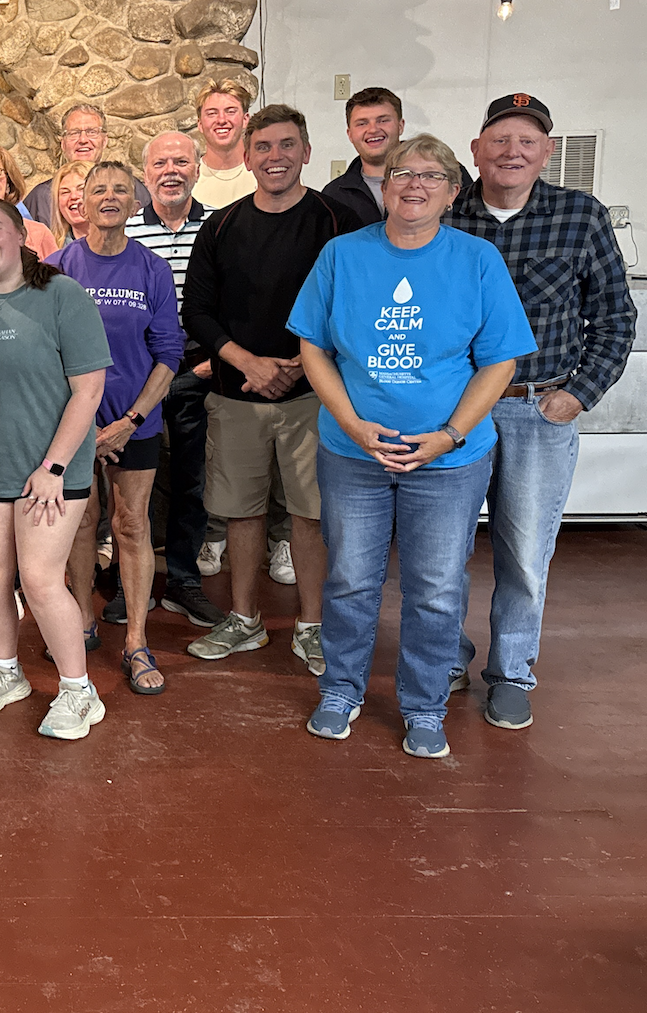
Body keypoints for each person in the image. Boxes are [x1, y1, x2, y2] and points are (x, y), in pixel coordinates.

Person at [290, 136, 536, 760]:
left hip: (448, 461)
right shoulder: (342, 255)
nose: (415, 185)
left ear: (453, 192)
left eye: (432, 176)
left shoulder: (477, 260)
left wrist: (449, 435)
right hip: (354, 454)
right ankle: (340, 690)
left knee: (435, 587)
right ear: (385, 185)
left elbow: (500, 361)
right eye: (402, 173)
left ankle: (424, 706)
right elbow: (313, 347)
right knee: (350, 580)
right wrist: (352, 424)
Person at [445, 93, 637, 729]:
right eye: (499, 139)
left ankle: (510, 673)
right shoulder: (446, 212)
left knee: (525, 553)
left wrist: (578, 395)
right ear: (476, 150)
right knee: (441, 548)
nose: (512, 152)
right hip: (456, 414)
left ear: (546, 152)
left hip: (537, 411)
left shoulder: (581, 216)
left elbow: (615, 317)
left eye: (527, 141)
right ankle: (445, 657)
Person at [0, 199, 112, 741]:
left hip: (52, 473)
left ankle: (79, 690)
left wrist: (53, 467)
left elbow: (89, 390)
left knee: (38, 579)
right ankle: (6, 672)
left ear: (20, 235)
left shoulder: (63, 295)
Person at [181, 104, 348, 676]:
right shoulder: (221, 226)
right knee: (241, 512)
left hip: (313, 396)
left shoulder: (337, 220)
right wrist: (247, 362)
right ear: (247, 158)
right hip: (236, 395)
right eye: (264, 147)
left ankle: (312, 625)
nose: (275, 157)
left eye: (287, 145)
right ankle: (244, 619)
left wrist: (301, 365)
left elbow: (351, 305)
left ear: (306, 151)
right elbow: (197, 311)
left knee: (310, 514)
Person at [47, 161, 184, 693]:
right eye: (98, 189)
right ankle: (82, 620)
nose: (109, 197)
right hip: (72, 424)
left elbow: (168, 353)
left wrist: (131, 420)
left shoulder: (152, 269)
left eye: (120, 190)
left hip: (134, 423)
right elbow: (43, 349)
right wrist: (80, 427)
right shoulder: (56, 267)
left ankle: (136, 640)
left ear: (134, 202)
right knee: (80, 522)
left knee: (131, 526)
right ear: (80, 202)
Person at [124, 135, 224, 629]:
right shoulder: (125, 231)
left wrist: (213, 365)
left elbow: (231, 302)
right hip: (138, 380)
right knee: (132, 487)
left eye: (181, 161)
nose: (171, 171)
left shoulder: (220, 226)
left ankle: (183, 580)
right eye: (160, 162)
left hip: (197, 373)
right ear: (145, 175)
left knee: (191, 483)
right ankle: (130, 584)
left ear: (198, 168)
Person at [322, 87, 478, 230]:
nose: (373, 129)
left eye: (383, 120)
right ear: (349, 134)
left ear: (401, 126)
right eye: (362, 123)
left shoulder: (447, 173)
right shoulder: (333, 194)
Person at [25, 103, 150, 225]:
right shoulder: (41, 197)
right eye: (74, 133)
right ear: (63, 144)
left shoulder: (131, 187)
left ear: (104, 141)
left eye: (92, 132)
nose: (83, 140)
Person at [192, 80, 257, 210]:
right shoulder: (190, 179)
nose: (221, 120)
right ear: (200, 124)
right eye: (212, 113)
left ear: (245, 120)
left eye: (230, 111)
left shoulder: (263, 173)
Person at [46, 159, 94, 245]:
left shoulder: (119, 244)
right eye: (65, 192)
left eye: (81, 189)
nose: (73, 196)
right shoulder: (51, 249)